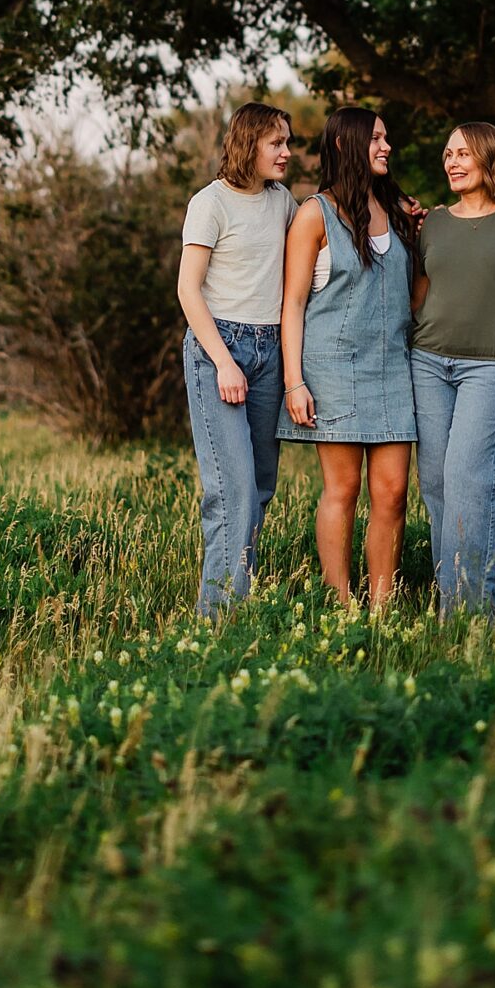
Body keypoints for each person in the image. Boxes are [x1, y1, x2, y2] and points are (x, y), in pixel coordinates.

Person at [278, 107, 418, 608]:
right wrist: (295, 381)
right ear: (345, 145)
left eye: (387, 137)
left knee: (394, 493)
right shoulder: (314, 213)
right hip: (332, 367)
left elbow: (414, 294)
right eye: (376, 138)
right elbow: (292, 303)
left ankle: (381, 608)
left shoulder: (396, 209)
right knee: (344, 489)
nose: (385, 146)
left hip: (393, 370)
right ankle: (341, 604)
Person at [177, 102, 296, 617]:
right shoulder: (210, 203)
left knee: (261, 486)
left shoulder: (283, 201)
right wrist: (224, 361)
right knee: (233, 490)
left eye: (288, 142)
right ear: (249, 145)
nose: (287, 153)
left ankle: (234, 595)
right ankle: (218, 617)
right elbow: (187, 289)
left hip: (270, 348)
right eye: (277, 143)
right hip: (218, 349)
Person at [409, 122, 495, 617]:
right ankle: (481, 594)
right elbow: (419, 291)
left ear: (489, 158)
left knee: (467, 477)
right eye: (448, 154)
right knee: (439, 484)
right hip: (430, 362)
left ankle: (463, 614)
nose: (453, 162)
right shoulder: (432, 223)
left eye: (464, 153)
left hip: (494, 367)